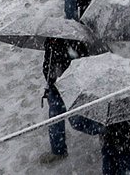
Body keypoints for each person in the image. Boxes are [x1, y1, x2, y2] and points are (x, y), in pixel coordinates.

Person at [41, 36, 90, 164]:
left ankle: (102, 130)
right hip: (54, 88)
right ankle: (58, 150)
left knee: (77, 121)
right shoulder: (49, 43)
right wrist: (49, 79)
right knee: (55, 119)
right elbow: (47, 64)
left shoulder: (74, 43)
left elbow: (83, 62)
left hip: (71, 88)